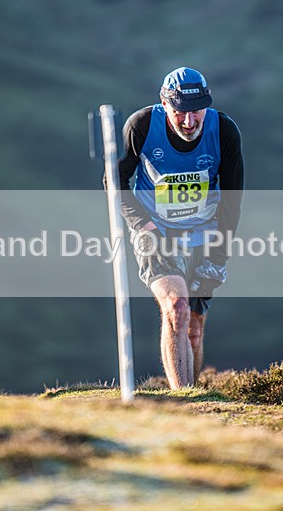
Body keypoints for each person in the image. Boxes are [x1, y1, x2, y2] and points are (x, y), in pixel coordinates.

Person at [104, 66, 244, 389]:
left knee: (193, 329)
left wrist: (219, 256)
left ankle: (193, 402)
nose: (189, 121)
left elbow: (232, 200)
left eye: (197, 111)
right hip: (156, 232)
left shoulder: (224, 131)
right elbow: (113, 179)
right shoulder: (141, 126)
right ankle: (184, 399)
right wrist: (143, 225)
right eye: (180, 112)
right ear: (164, 103)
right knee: (176, 307)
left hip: (204, 234)